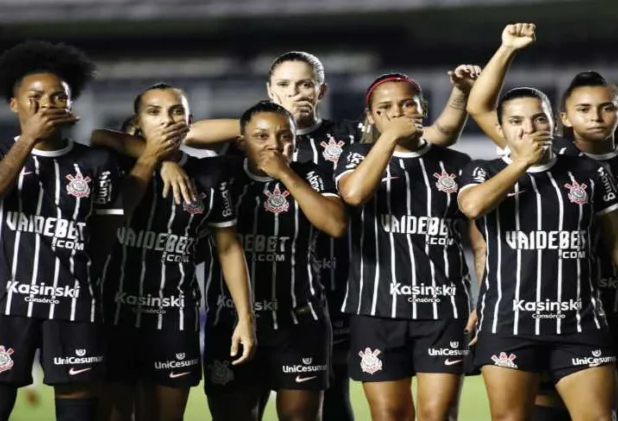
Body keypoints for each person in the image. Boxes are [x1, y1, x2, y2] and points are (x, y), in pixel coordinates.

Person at [123, 52, 480, 421]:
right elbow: (184, 134)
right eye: (285, 85)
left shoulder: (342, 143)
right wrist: (261, 126)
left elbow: (431, 136)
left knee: (335, 398)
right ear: (269, 92)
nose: (296, 92)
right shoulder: (229, 165)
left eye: (305, 84)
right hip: (234, 311)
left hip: (323, 297)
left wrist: (457, 96)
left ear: (321, 90)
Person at [465, 23, 618, 421]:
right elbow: (474, 204)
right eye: (516, 122)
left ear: (551, 121)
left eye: (538, 120)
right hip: (514, 319)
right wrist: (507, 49)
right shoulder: (487, 170)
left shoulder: (590, 170)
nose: (528, 129)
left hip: (586, 316)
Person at [0, 40, 123, 421]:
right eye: (34, 97)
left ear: (70, 105)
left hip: (73, 305)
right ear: (14, 104)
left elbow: (105, 236)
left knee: (78, 414)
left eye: (58, 97)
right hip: (2, 301)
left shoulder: (97, 162)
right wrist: (28, 140)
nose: (47, 104)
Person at [91, 83, 256, 421]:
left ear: (189, 121)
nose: (166, 120)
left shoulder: (209, 175)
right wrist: (159, 159)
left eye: (176, 111)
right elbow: (98, 135)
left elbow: (227, 248)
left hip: (174, 317)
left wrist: (246, 317)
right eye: (154, 113)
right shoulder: (115, 165)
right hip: (113, 314)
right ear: (137, 123)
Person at [334, 73, 475, 421]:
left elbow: (480, 243)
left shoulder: (457, 164)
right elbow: (353, 194)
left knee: (437, 414)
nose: (398, 112)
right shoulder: (357, 155)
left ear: (422, 108)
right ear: (370, 117)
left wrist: (482, 299)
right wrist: (391, 138)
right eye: (385, 108)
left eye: (407, 104)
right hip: (377, 308)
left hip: (442, 308)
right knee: (389, 415)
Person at [200, 100, 347, 421]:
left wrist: (285, 174)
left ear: (296, 141)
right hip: (230, 324)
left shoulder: (313, 175)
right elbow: (189, 135)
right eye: (261, 136)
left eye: (284, 136)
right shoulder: (222, 175)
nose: (275, 145)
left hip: (299, 323)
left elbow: (335, 224)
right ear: (242, 142)